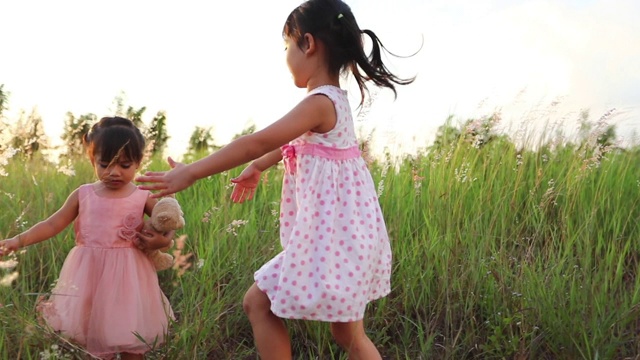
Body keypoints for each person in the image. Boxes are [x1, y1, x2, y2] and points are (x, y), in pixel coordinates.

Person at [137, 0, 414, 358]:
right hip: (343, 240)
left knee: (265, 306)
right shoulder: (334, 103)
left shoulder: (320, 102)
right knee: (339, 332)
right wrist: (259, 167)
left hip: (332, 242)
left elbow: (259, 140)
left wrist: (191, 171)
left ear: (308, 44)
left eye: (287, 46)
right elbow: (293, 144)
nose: (286, 56)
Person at [0, 117, 175, 360]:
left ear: (138, 162)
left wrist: (162, 242)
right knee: (92, 335)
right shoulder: (84, 194)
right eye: (105, 164)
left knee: (131, 336)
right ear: (92, 160)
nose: (114, 172)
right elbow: (52, 223)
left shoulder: (142, 196)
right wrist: (17, 241)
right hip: (88, 274)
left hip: (130, 277)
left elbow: (166, 224)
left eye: (124, 165)